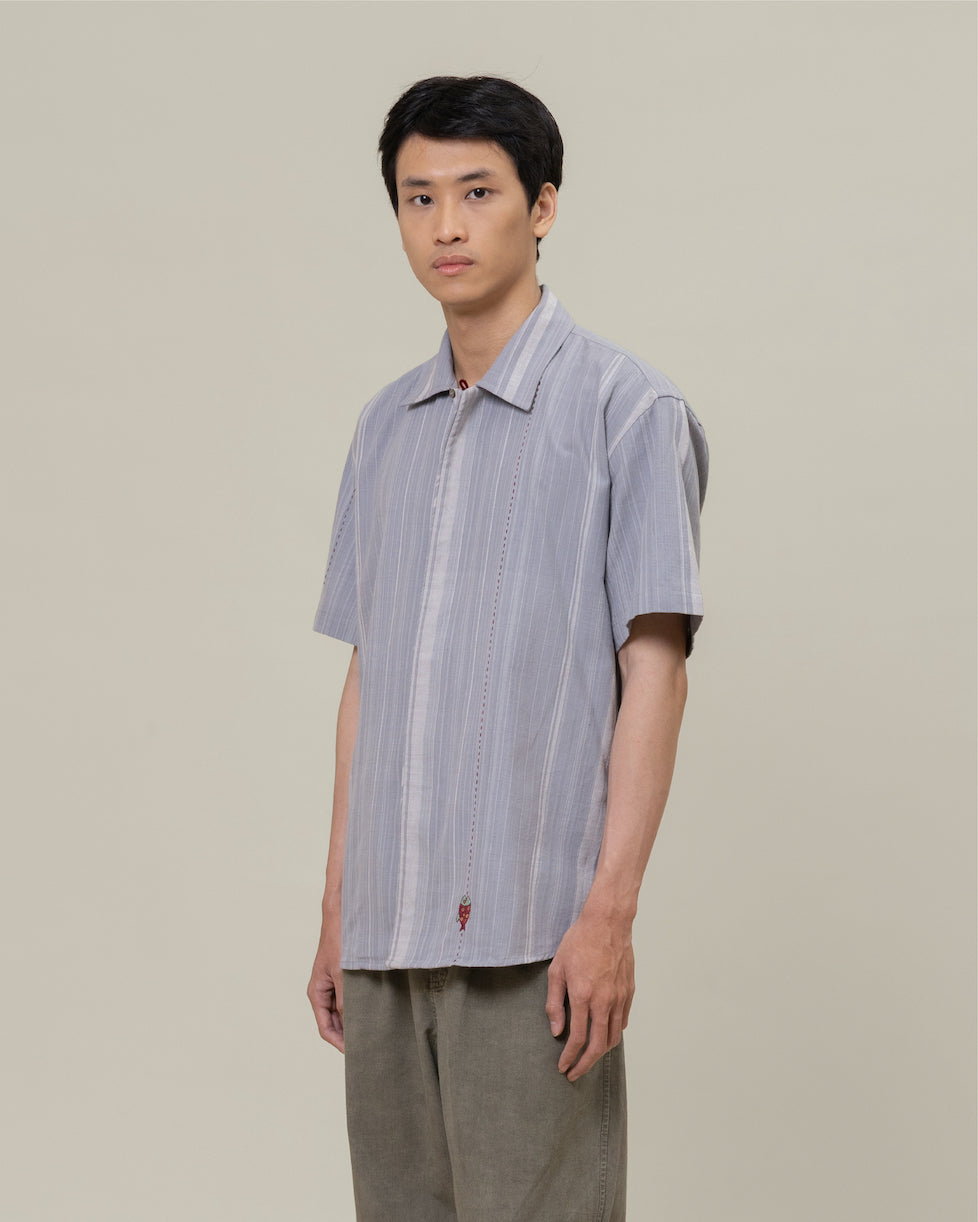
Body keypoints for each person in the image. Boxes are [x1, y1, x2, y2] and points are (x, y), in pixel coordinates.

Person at [307, 75, 708, 1221]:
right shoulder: (383, 428)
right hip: (386, 937)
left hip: (535, 937)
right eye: (418, 196)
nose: (445, 224)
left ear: (542, 206)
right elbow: (370, 677)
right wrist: (338, 909)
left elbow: (655, 671)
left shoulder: (629, 411)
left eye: (477, 192)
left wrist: (610, 914)